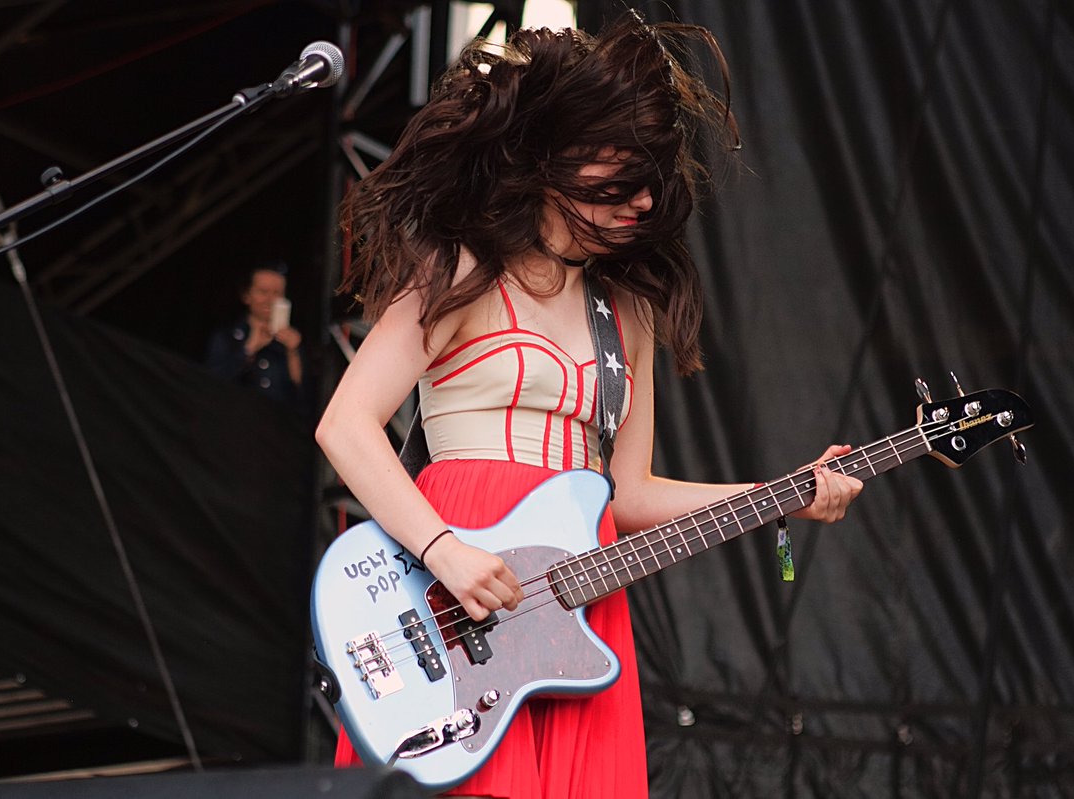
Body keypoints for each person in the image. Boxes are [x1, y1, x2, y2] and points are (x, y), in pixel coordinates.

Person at [315, 12, 864, 799]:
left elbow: (630, 494)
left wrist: (785, 495)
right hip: (454, 594)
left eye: (649, 183)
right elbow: (345, 423)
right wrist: (445, 550)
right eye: (620, 180)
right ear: (558, 160)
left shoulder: (627, 312)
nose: (641, 202)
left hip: (575, 610)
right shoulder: (461, 269)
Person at [205, 264, 304, 410]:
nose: (270, 299)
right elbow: (211, 385)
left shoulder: (291, 342)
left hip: (279, 426)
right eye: (263, 292)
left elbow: (303, 398)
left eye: (277, 293)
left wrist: (293, 353)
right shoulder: (226, 337)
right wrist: (249, 349)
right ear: (246, 295)